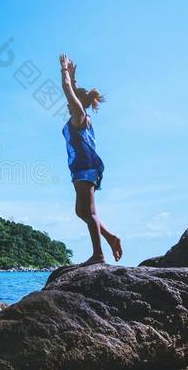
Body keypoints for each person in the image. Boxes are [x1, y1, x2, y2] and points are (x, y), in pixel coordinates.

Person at [59, 54, 122, 265]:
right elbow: (74, 93)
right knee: (81, 211)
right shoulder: (80, 113)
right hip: (81, 168)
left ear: (77, 103)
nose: (67, 104)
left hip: (86, 167)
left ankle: (98, 255)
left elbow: (69, 91)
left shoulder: (79, 114)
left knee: (90, 211)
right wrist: (75, 77)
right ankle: (110, 237)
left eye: (71, 102)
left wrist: (64, 70)